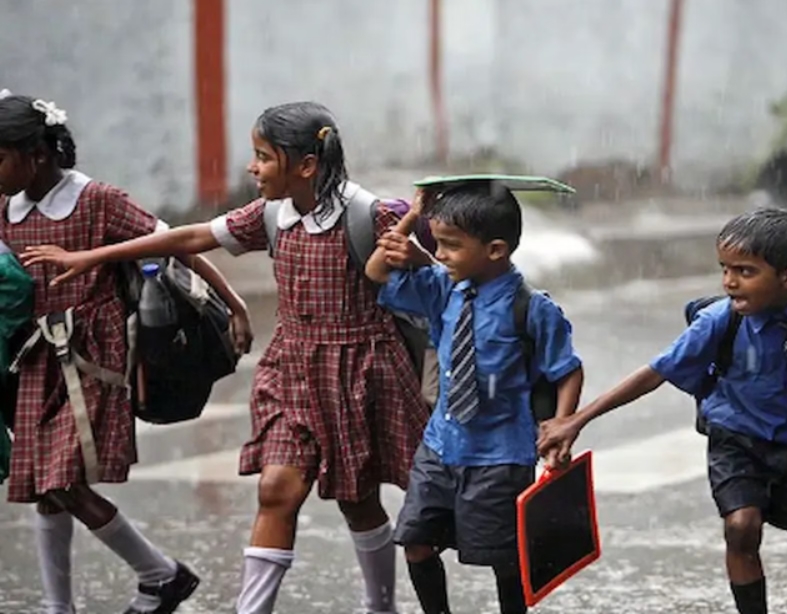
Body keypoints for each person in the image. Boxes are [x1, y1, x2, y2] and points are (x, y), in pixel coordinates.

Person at [22, 101, 430, 614]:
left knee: (359, 499)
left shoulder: (371, 215)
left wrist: (417, 257)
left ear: (305, 165)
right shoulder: (270, 216)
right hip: (293, 372)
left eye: (262, 157)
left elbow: (442, 280)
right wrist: (92, 257)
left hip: (361, 374)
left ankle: (380, 606)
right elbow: (193, 236)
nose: (251, 168)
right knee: (277, 489)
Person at [537, 207, 787, 614]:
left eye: (745, 271)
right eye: (725, 269)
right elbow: (654, 372)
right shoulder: (718, 322)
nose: (729, 282)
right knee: (741, 527)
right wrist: (578, 419)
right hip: (737, 441)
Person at [0, 91, 251, 613]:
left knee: (62, 481)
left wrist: (234, 305)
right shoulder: (7, 208)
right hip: (33, 361)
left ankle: (160, 573)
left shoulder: (97, 200)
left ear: (36, 152)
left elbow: (176, 242)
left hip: (92, 359)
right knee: (46, 489)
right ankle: (60, 605)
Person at [369, 181, 584, 614]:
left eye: (451, 245)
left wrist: (562, 427)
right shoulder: (443, 288)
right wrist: (413, 218)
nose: (440, 254)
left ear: (495, 250)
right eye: (438, 244)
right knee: (415, 541)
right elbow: (377, 272)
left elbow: (567, 371)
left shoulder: (533, 309)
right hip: (440, 446)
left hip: (500, 455)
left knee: (505, 560)